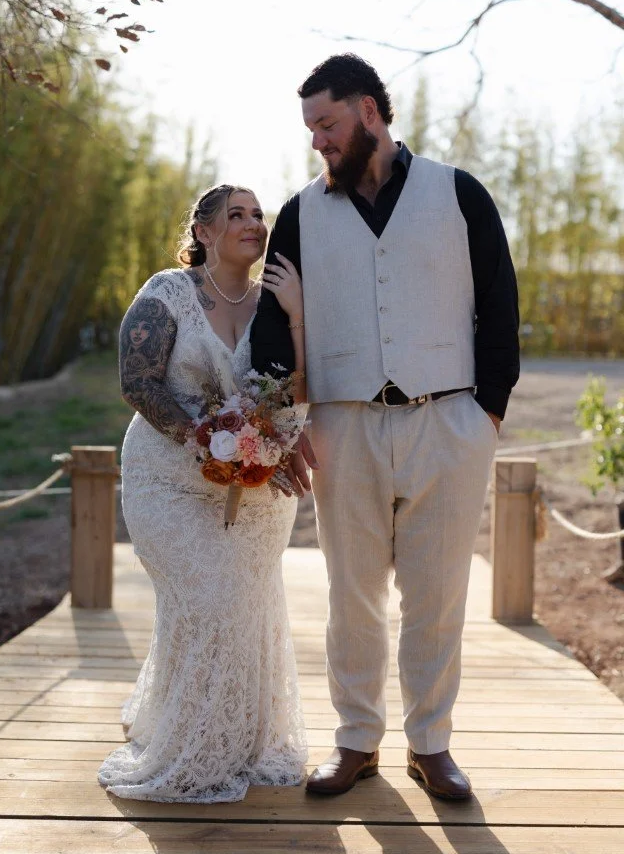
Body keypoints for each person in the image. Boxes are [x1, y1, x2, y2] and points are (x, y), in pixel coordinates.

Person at [251, 54, 520, 801]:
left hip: (449, 422)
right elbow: (273, 328)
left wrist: (486, 414)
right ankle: (356, 740)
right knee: (352, 593)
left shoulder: (459, 193)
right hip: (344, 427)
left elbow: (500, 307)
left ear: (370, 111)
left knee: (438, 595)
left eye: (328, 124)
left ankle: (430, 744)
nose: (318, 142)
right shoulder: (302, 211)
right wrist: (279, 424)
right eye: (310, 129)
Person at [98, 184, 308, 803]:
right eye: (236, 214)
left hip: (257, 488)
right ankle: (193, 751)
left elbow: (299, 385)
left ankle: (237, 739)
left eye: (257, 214)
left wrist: (268, 445)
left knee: (242, 607)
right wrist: (208, 437)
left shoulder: (277, 300)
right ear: (205, 232)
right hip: (167, 477)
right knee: (208, 596)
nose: (253, 223)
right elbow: (136, 380)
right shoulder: (169, 292)